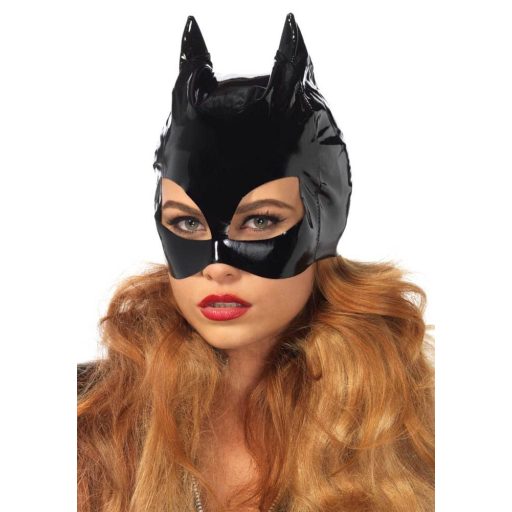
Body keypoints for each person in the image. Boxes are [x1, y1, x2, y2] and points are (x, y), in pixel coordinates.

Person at [77, 13, 434, 512]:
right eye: (187, 222)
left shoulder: (412, 422)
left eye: (261, 221)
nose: (217, 266)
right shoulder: (90, 417)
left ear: (325, 220)